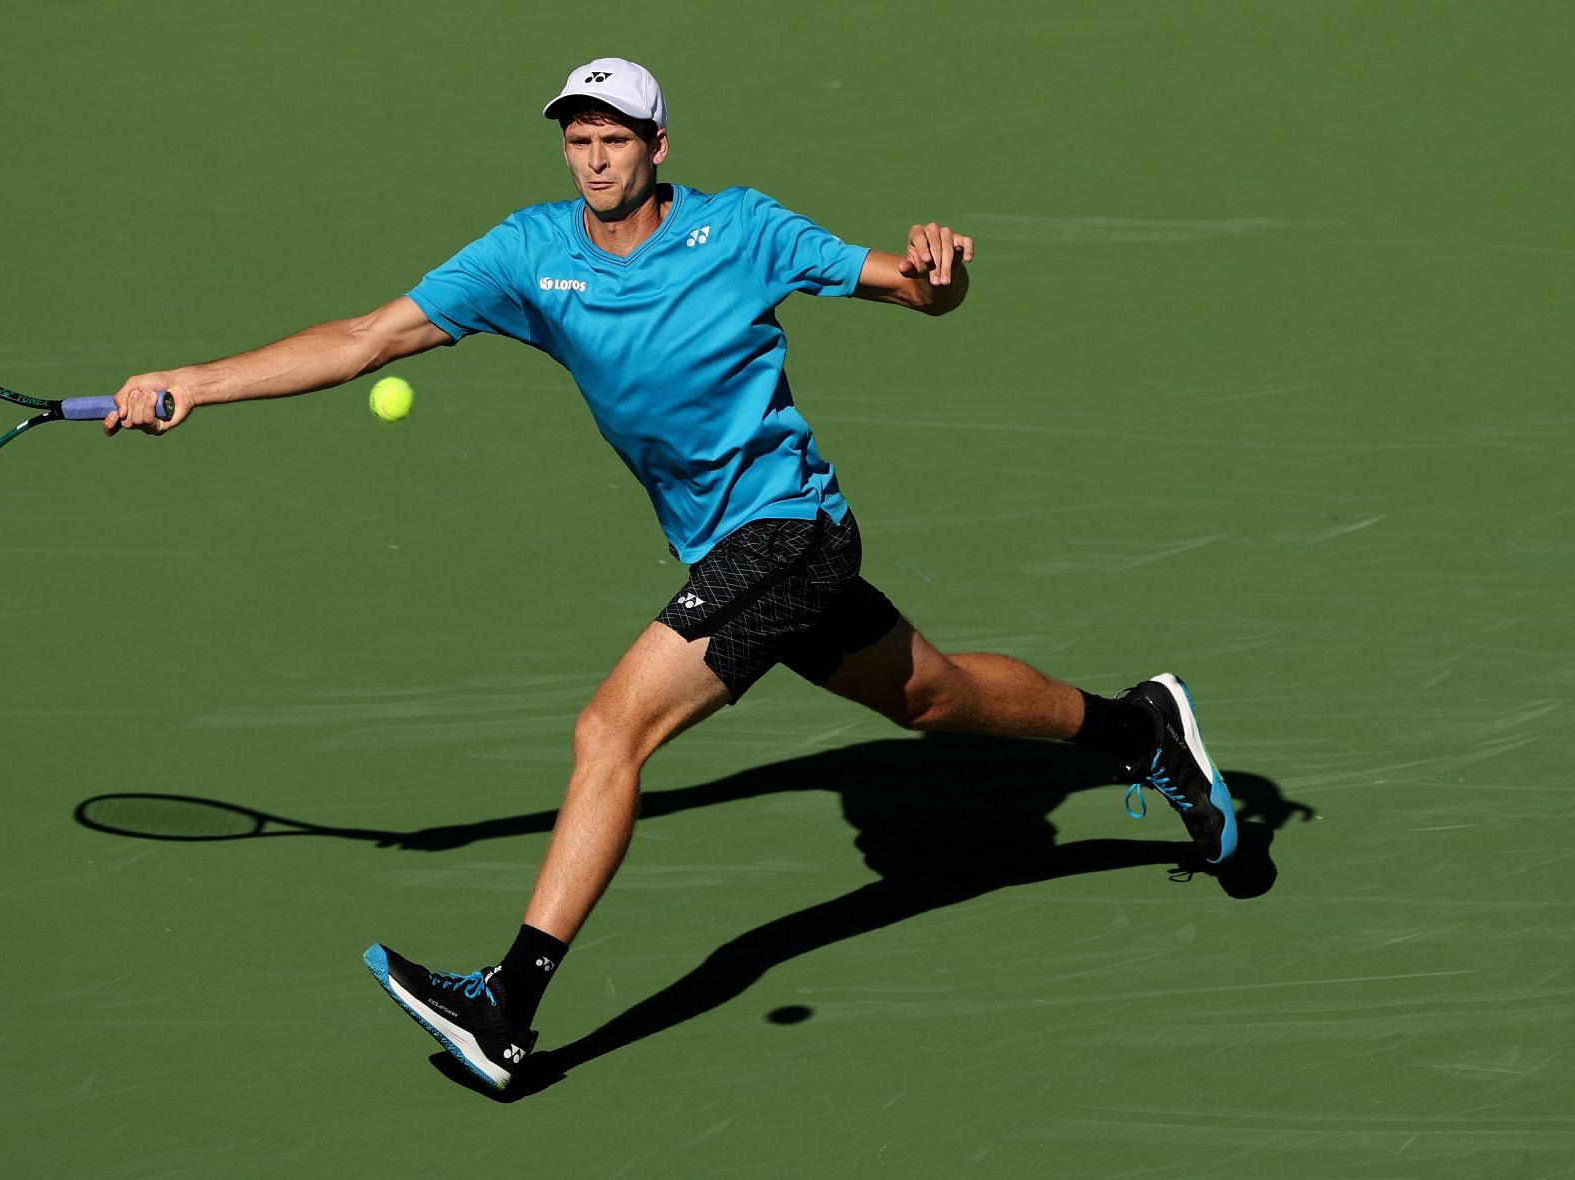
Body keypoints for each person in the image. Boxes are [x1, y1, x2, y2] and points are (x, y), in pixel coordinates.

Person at [104, 57, 1238, 1092]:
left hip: (786, 530)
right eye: (577, 138)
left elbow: (906, 287)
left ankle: (508, 1011)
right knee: (931, 696)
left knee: (612, 733)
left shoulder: (741, 231)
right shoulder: (527, 255)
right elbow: (363, 338)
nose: (595, 157)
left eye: (616, 138)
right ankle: (1136, 729)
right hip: (735, 551)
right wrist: (196, 381)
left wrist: (941, 280)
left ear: (658, 146)